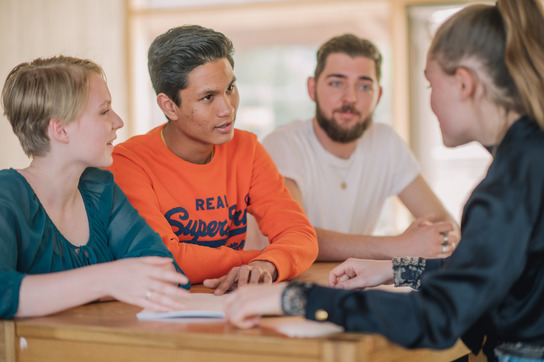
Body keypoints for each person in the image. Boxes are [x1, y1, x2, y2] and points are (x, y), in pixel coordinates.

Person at [224, 1, 544, 361]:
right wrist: (394, 268)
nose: (432, 103)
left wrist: (293, 298)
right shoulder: (528, 159)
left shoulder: (508, 185)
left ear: (464, 83)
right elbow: (481, 268)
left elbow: (438, 316)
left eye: (429, 85)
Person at [108, 25, 318, 295]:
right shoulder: (129, 162)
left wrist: (268, 264)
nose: (227, 109)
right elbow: (162, 260)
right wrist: (256, 259)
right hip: (152, 314)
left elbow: (300, 234)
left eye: (230, 88)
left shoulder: (247, 148)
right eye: (208, 97)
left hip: (226, 304)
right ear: (169, 106)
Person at [0, 56, 190, 319]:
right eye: (104, 111)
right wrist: (107, 280)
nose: (118, 121)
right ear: (61, 130)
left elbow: (167, 276)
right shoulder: (6, 195)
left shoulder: (100, 188)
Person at [254, 33, 459, 261]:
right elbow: (294, 236)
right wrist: (398, 246)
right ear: (312, 89)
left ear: (378, 96)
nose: (350, 98)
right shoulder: (283, 144)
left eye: (363, 87)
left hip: (348, 285)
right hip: (278, 287)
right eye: (336, 83)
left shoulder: (386, 143)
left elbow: (443, 221)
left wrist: (433, 240)